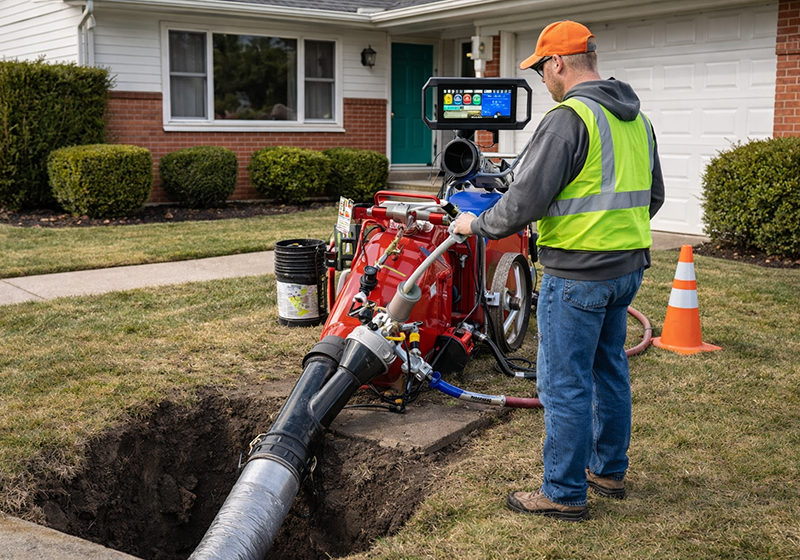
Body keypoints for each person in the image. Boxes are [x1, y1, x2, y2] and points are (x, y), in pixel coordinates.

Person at [453, 20, 665, 521]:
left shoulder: (569, 118)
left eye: (540, 70)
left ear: (558, 63)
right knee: (608, 367)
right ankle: (608, 469)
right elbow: (653, 197)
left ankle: (563, 491)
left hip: (576, 276)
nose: (542, 82)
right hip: (626, 269)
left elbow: (522, 203)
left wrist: (475, 222)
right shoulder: (637, 119)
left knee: (563, 383)